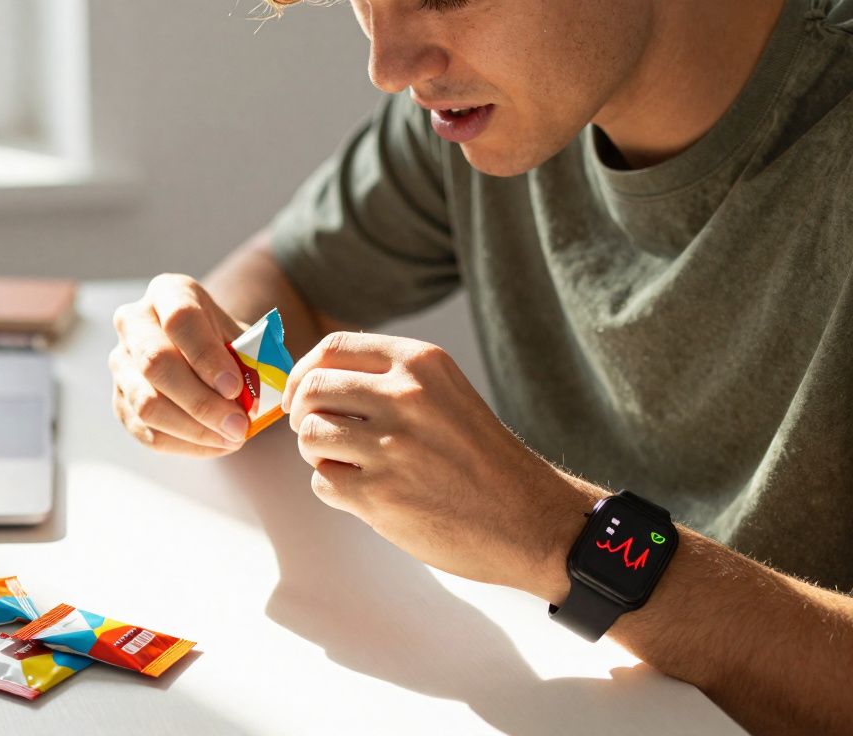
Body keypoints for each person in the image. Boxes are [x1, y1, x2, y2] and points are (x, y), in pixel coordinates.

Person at [108, 0, 853, 731]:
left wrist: (555, 536)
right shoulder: (483, 101)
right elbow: (288, 278)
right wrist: (202, 359)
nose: (389, 67)